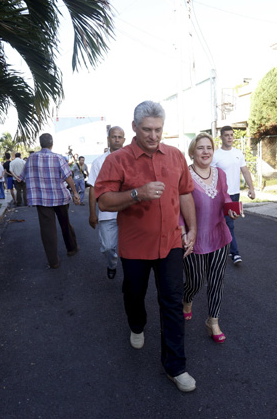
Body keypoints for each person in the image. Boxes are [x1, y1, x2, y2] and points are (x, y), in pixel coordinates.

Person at [95, 101, 197, 393]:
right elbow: (103, 200)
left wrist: (193, 229)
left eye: (158, 129)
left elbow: (186, 193)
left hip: (171, 244)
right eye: (147, 130)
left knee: (172, 303)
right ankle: (137, 324)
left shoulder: (176, 156)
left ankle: (175, 366)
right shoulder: (118, 160)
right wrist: (137, 193)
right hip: (135, 247)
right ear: (134, 128)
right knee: (134, 294)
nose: (153, 136)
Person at [181, 133, 239, 344]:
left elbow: (224, 196)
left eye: (209, 148)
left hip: (219, 235)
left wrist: (230, 209)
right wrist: (182, 230)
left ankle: (212, 321)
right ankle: (187, 299)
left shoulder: (220, 174)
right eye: (200, 148)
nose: (205, 152)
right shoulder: (184, 175)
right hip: (194, 238)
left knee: (216, 280)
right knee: (195, 281)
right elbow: (178, 206)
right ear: (192, 152)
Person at [20, 133, 80, 269]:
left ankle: (53, 261)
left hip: (41, 199)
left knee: (47, 230)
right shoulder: (58, 158)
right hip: (60, 197)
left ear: (40, 143)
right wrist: (75, 193)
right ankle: (72, 248)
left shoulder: (31, 158)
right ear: (52, 143)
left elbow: (22, 177)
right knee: (65, 223)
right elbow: (68, 177)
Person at [211, 125, 255, 265]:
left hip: (234, 194)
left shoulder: (238, 153)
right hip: (220, 195)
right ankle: (234, 253)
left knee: (229, 223)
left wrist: (251, 188)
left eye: (231, 135)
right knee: (225, 224)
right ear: (221, 137)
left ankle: (226, 247)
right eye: (226, 135)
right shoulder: (216, 155)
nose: (230, 137)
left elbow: (245, 171)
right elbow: (210, 175)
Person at [88, 126, 126, 279]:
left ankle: (132, 275)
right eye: (113, 137)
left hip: (129, 213)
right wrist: (92, 214)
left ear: (124, 139)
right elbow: (93, 188)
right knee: (108, 247)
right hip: (107, 213)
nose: (117, 139)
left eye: (119, 137)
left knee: (132, 249)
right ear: (108, 139)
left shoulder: (132, 159)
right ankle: (112, 264)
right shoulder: (99, 162)